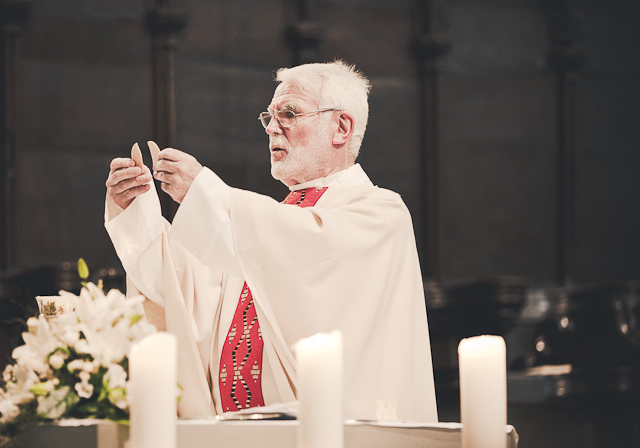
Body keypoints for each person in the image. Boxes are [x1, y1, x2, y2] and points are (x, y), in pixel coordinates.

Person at [104, 60, 437, 422]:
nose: (273, 129)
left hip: (335, 445)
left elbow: (305, 250)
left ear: (341, 127)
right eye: (270, 117)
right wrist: (138, 215)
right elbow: (188, 295)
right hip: (239, 441)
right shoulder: (264, 225)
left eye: (289, 114)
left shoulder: (380, 214)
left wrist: (203, 193)